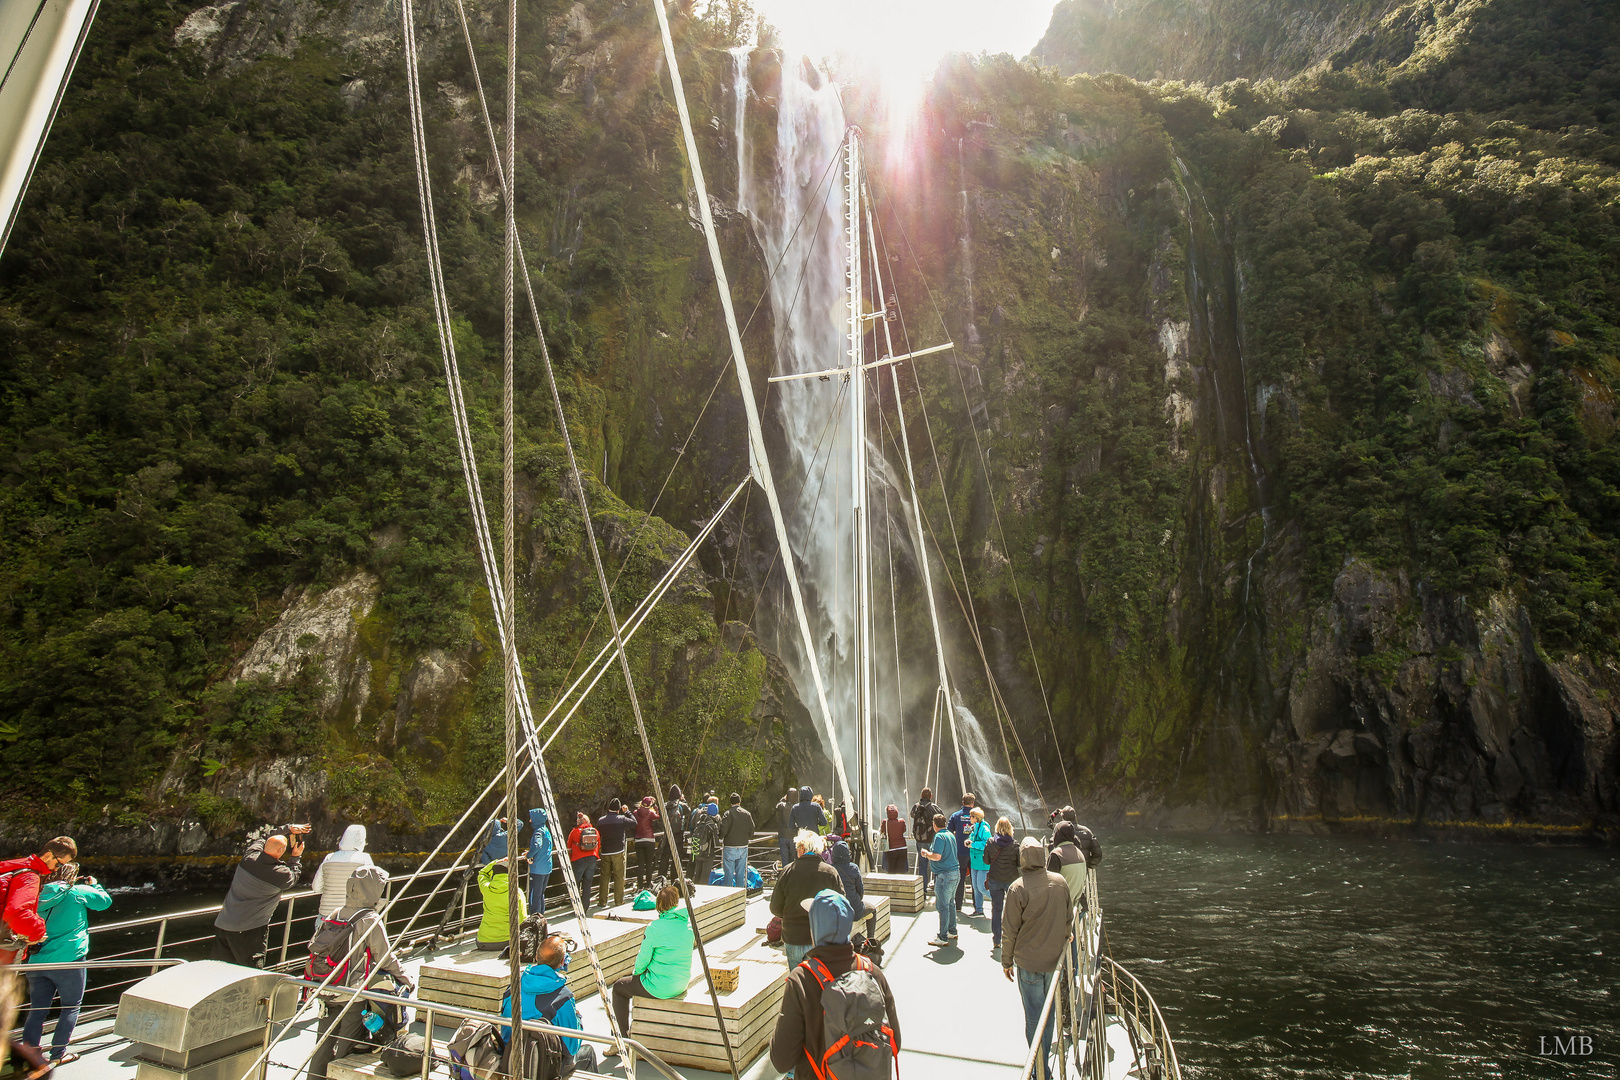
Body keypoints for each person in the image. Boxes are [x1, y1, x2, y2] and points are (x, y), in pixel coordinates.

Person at [769, 890, 900, 1080]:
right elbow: (895, 1040)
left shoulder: (802, 979)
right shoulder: (872, 972)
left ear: (815, 927)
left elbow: (782, 1060)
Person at [306, 867, 411, 1080]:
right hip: (350, 992)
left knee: (322, 1044)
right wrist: (405, 979)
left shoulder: (335, 913)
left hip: (326, 988)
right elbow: (385, 957)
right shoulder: (369, 919)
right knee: (347, 1047)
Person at [24, 860, 109, 1067]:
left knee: (37, 1010)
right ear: (72, 876)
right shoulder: (76, 892)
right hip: (69, 960)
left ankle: (29, 1057)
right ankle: (58, 1054)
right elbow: (104, 902)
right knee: (71, 1007)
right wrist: (95, 886)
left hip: (37, 961)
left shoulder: (36, 894)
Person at [1003, 837, 1071, 1074]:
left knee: (1033, 1017)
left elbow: (1009, 930)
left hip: (1028, 963)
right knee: (1048, 1014)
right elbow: (1068, 919)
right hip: (1053, 961)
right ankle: (1042, 1065)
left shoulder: (1017, 888)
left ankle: (1038, 1069)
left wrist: (1006, 961)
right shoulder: (1060, 882)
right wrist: (1064, 938)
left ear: (1022, 858)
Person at [501, 915, 597, 1076]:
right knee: (587, 1053)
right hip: (545, 1068)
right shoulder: (562, 998)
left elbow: (505, 1033)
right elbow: (572, 1047)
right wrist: (578, 1020)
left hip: (511, 1058)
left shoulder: (512, 988)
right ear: (562, 963)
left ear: (536, 957)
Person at [607, 884, 692, 1053]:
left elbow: (642, 960)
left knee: (619, 988)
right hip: (681, 982)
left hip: (660, 986)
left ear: (658, 905)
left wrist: (636, 975)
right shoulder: (687, 925)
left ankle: (620, 1040)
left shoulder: (654, 927)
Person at [213, 824, 307, 967]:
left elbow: (264, 836)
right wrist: (296, 857)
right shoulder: (280, 874)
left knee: (220, 969)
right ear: (281, 850)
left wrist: (288, 828)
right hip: (249, 930)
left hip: (223, 924)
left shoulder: (250, 856)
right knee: (251, 971)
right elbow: (293, 877)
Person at [769, 830, 844, 969]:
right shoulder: (830, 872)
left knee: (797, 981)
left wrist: (787, 914)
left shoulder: (788, 871)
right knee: (818, 981)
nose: (796, 851)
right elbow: (841, 905)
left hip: (793, 935)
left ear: (802, 848)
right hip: (820, 936)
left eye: (797, 848)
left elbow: (775, 907)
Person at [310, 825, 374, 919]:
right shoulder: (365, 859)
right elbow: (372, 888)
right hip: (351, 917)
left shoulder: (329, 858)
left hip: (326, 916)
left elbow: (316, 888)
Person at [921, 813, 959, 947]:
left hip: (944, 875)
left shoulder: (939, 836)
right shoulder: (951, 835)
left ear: (934, 825)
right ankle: (952, 931)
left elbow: (937, 856)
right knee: (950, 903)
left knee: (942, 906)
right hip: (955, 873)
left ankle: (942, 937)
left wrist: (926, 853)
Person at [984, 816, 1020, 953]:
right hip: (1011, 880)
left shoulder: (991, 842)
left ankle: (997, 940)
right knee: (1013, 911)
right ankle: (1012, 939)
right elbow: (1019, 864)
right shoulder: (1015, 844)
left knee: (996, 909)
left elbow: (986, 861)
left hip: (995, 879)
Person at [475, 858, 526, 950]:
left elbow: (482, 873)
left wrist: (496, 862)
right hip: (506, 941)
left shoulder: (486, 888)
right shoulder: (517, 892)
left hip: (483, 942)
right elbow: (522, 920)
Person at [595, 799, 636, 910]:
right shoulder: (621, 819)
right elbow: (634, 822)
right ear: (618, 809)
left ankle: (602, 901)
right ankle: (618, 901)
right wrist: (627, 812)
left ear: (608, 808)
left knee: (604, 877)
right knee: (618, 877)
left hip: (605, 851)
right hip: (618, 851)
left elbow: (598, 833)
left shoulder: (601, 821)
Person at [946, 794, 976, 912]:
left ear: (962, 802)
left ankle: (958, 907)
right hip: (974, 852)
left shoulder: (955, 816)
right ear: (972, 803)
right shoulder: (978, 817)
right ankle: (977, 907)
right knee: (975, 880)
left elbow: (948, 832)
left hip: (960, 852)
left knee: (960, 880)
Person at [718, 793, 754, 888]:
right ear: (739, 801)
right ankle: (740, 894)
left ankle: (729, 895)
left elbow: (724, 830)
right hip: (743, 846)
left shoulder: (727, 814)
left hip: (730, 846)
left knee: (729, 873)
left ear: (730, 802)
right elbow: (752, 829)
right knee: (741, 873)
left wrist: (720, 836)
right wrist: (746, 838)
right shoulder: (746, 813)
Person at [566, 811, 599, 914]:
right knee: (587, 883)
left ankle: (576, 907)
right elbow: (598, 845)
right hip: (592, 859)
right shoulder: (595, 831)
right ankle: (585, 907)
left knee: (575, 883)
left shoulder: (575, 831)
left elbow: (569, 845)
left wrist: (572, 858)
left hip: (578, 859)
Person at [909, 789, 941, 892]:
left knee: (922, 865)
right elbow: (941, 817)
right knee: (935, 864)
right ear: (931, 796)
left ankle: (923, 889)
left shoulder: (916, 807)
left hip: (919, 840)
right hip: (931, 840)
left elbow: (912, 815)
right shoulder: (934, 808)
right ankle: (936, 887)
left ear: (921, 795)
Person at [525, 808, 555, 917]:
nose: (529, 821)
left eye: (531, 818)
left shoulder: (538, 831)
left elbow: (537, 845)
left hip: (538, 868)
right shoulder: (546, 830)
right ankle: (541, 917)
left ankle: (534, 919)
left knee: (534, 895)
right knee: (541, 894)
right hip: (547, 867)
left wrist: (529, 855)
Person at [966, 807, 992, 917]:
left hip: (982, 862)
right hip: (974, 861)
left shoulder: (984, 829)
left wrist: (973, 845)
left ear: (976, 818)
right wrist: (968, 841)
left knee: (981, 887)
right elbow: (972, 837)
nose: (969, 818)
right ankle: (979, 910)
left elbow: (987, 843)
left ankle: (997, 898)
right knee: (975, 887)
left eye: (971, 817)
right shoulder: (974, 827)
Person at [660, 785, 690, 880]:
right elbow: (688, 811)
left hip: (667, 835)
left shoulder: (664, 805)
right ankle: (675, 880)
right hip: (678, 836)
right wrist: (683, 800)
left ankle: (661, 879)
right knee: (676, 859)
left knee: (664, 858)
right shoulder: (682, 805)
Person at [689, 800, 720, 886]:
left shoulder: (700, 821)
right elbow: (716, 842)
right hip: (708, 853)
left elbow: (692, 824)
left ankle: (694, 889)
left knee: (697, 873)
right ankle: (702, 892)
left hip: (698, 851)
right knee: (705, 876)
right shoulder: (712, 825)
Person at [633, 796, 660, 891]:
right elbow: (658, 816)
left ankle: (640, 886)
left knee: (640, 865)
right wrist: (656, 807)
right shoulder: (650, 813)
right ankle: (648, 885)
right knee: (649, 864)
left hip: (638, 840)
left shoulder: (635, 813)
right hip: (649, 840)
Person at [881, 805, 907, 873]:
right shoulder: (902, 821)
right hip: (902, 848)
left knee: (891, 871)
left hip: (891, 848)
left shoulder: (885, 822)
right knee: (900, 872)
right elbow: (904, 830)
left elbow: (882, 831)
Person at [774, 791, 796, 869]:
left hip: (783, 835)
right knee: (793, 859)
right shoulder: (796, 807)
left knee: (785, 860)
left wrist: (784, 799)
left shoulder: (782, 806)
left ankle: (785, 874)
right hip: (793, 836)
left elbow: (776, 806)